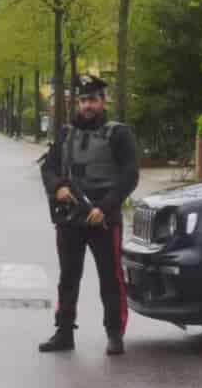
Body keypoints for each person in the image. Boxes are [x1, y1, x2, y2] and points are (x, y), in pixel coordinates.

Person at [39, 75, 140, 356]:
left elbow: (129, 176)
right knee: (68, 277)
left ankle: (114, 333)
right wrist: (57, 187)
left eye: (92, 100)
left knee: (111, 278)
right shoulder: (66, 133)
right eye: (83, 100)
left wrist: (105, 207)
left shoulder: (119, 134)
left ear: (103, 101)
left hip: (103, 219)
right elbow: (48, 167)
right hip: (71, 218)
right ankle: (64, 332)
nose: (87, 105)